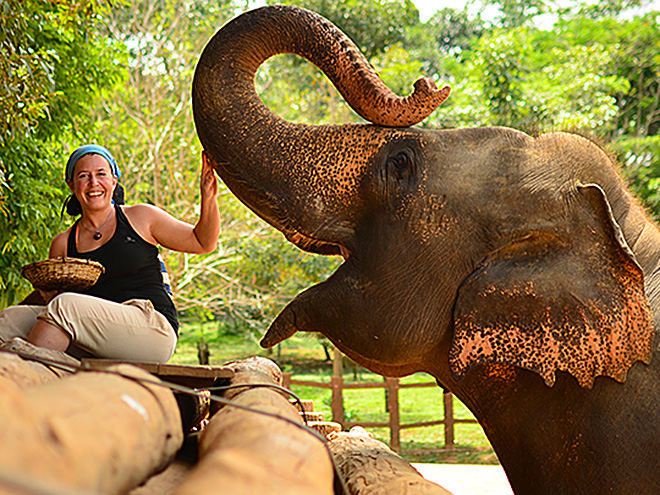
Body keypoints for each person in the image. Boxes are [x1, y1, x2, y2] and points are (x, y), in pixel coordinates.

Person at [0, 144, 220, 363]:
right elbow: (50, 301)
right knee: (8, 320)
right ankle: (58, 367)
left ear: (114, 181)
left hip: (151, 329)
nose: (93, 183)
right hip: (95, 336)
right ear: (72, 185)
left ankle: (34, 384)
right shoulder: (63, 243)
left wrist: (208, 197)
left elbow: (202, 242)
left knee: (65, 306)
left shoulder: (141, 217)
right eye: (84, 176)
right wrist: (46, 294)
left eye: (101, 174)